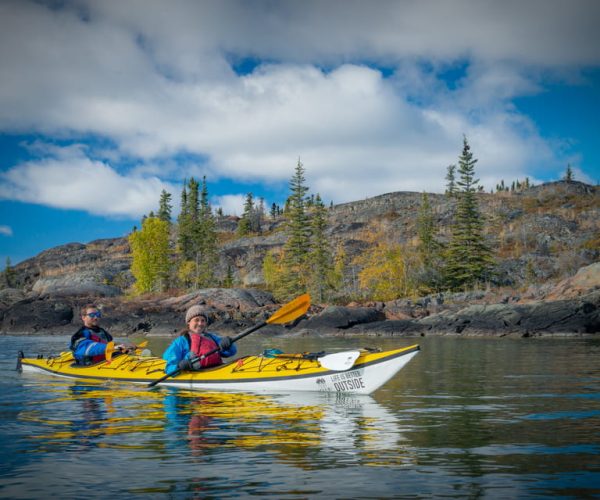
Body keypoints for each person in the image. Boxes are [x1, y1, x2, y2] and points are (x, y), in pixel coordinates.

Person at [162, 305, 236, 373]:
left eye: (203, 320)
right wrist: (178, 366)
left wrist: (229, 345)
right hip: (194, 372)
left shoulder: (212, 337)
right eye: (196, 320)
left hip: (216, 369)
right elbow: (168, 367)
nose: (200, 323)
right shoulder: (181, 341)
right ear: (189, 322)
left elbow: (232, 352)